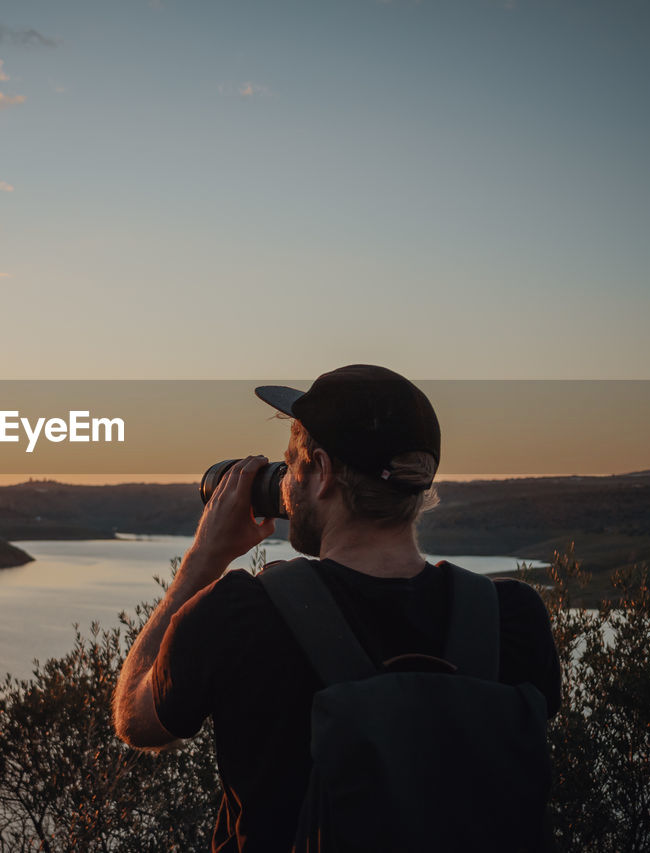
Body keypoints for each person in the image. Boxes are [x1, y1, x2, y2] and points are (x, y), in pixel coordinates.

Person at [111, 364, 561, 852]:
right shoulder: (511, 618)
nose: (285, 482)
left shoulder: (239, 615)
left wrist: (203, 559)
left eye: (291, 465)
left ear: (321, 472)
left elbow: (134, 721)